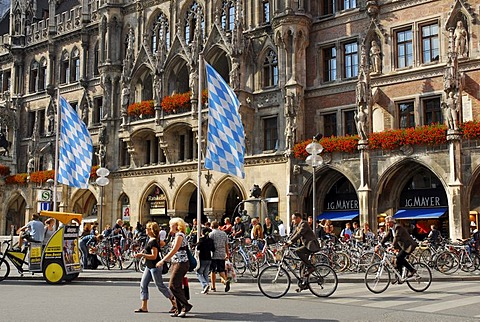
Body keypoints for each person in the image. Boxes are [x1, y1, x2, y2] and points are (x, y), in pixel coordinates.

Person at [134, 222, 175, 314]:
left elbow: (154, 256)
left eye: (147, 229)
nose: (145, 230)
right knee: (143, 284)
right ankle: (144, 307)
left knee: (160, 286)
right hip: (149, 266)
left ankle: (175, 302)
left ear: (150, 230)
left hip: (155, 266)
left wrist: (142, 255)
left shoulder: (153, 241)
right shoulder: (152, 239)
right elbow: (162, 244)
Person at [156, 218, 193, 318]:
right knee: (176, 286)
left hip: (181, 263)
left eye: (170, 225)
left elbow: (174, 250)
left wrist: (163, 260)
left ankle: (186, 305)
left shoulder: (179, 235)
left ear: (176, 225)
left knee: (173, 285)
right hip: (176, 262)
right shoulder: (175, 236)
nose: (169, 227)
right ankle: (179, 309)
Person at [377, 216, 418, 284]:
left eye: (387, 222)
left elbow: (397, 237)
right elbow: (386, 237)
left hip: (408, 246)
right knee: (397, 261)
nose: (386, 224)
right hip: (402, 247)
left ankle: (412, 270)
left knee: (399, 257)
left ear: (391, 222)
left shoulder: (398, 227)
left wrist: (392, 246)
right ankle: (399, 277)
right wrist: (379, 244)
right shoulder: (391, 229)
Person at [286, 212, 321, 279]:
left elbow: (299, 234)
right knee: (302, 264)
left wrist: (290, 242)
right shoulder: (298, 225)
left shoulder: (304, 224)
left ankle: (310, 267)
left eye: (293, 219)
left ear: (298, 218)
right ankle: (303, 282)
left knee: (298, 251)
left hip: (311, 245)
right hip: (307, 245)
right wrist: (287, 241)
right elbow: (294, 234)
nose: (292, 221)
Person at [208, 221, 231, 292]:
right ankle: (225, 280)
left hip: (213, 254)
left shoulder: (211, 234)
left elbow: (209, 244)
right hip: (222, 254)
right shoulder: (224, 234)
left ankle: (213, 286)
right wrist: (227, 254)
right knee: (221, 270)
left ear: (212, 226)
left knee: (213, 270)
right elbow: (226, 245)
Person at [196, 227, 215, 294]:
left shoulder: (201, 240)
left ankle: (205, 285)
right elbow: (213, 249)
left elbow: (198, 248)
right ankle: (206, 286)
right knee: (206, 274)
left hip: (202, 258)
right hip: (209, 258)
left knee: (199, 273)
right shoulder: (210, 240)